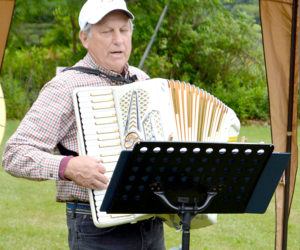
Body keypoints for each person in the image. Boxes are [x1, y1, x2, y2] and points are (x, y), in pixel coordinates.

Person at [2, 0, 166, 249]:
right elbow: (14, 153)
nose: (118, 39)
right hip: (97, 230)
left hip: (151, 225)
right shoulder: (66, 86)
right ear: (85, 38)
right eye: (106, 31)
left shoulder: (143, 80)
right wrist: (67, 166)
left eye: (124, 30)